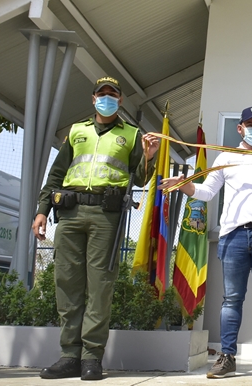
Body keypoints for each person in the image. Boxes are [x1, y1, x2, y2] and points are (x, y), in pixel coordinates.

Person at [32, 76, 160, 381]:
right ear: (93, 99)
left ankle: (91, 357)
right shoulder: (77, 132)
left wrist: (150, 156)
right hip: (70, 213)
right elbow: (56, 174)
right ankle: (69, 356)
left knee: (100, 287)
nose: (106, 98)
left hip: (106, 215)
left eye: (112, 95)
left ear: (120, 100)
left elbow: (140, 179)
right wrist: (41, 211)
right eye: (101, 94)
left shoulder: (131, 135)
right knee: (67, 284)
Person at [160, 106, 252, 381]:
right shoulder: (226, 158)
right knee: (231, 300)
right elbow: (206, 191)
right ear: (240, 128)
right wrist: (184, 184)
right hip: (234, 236)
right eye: (250, 124)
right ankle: (227, 357)